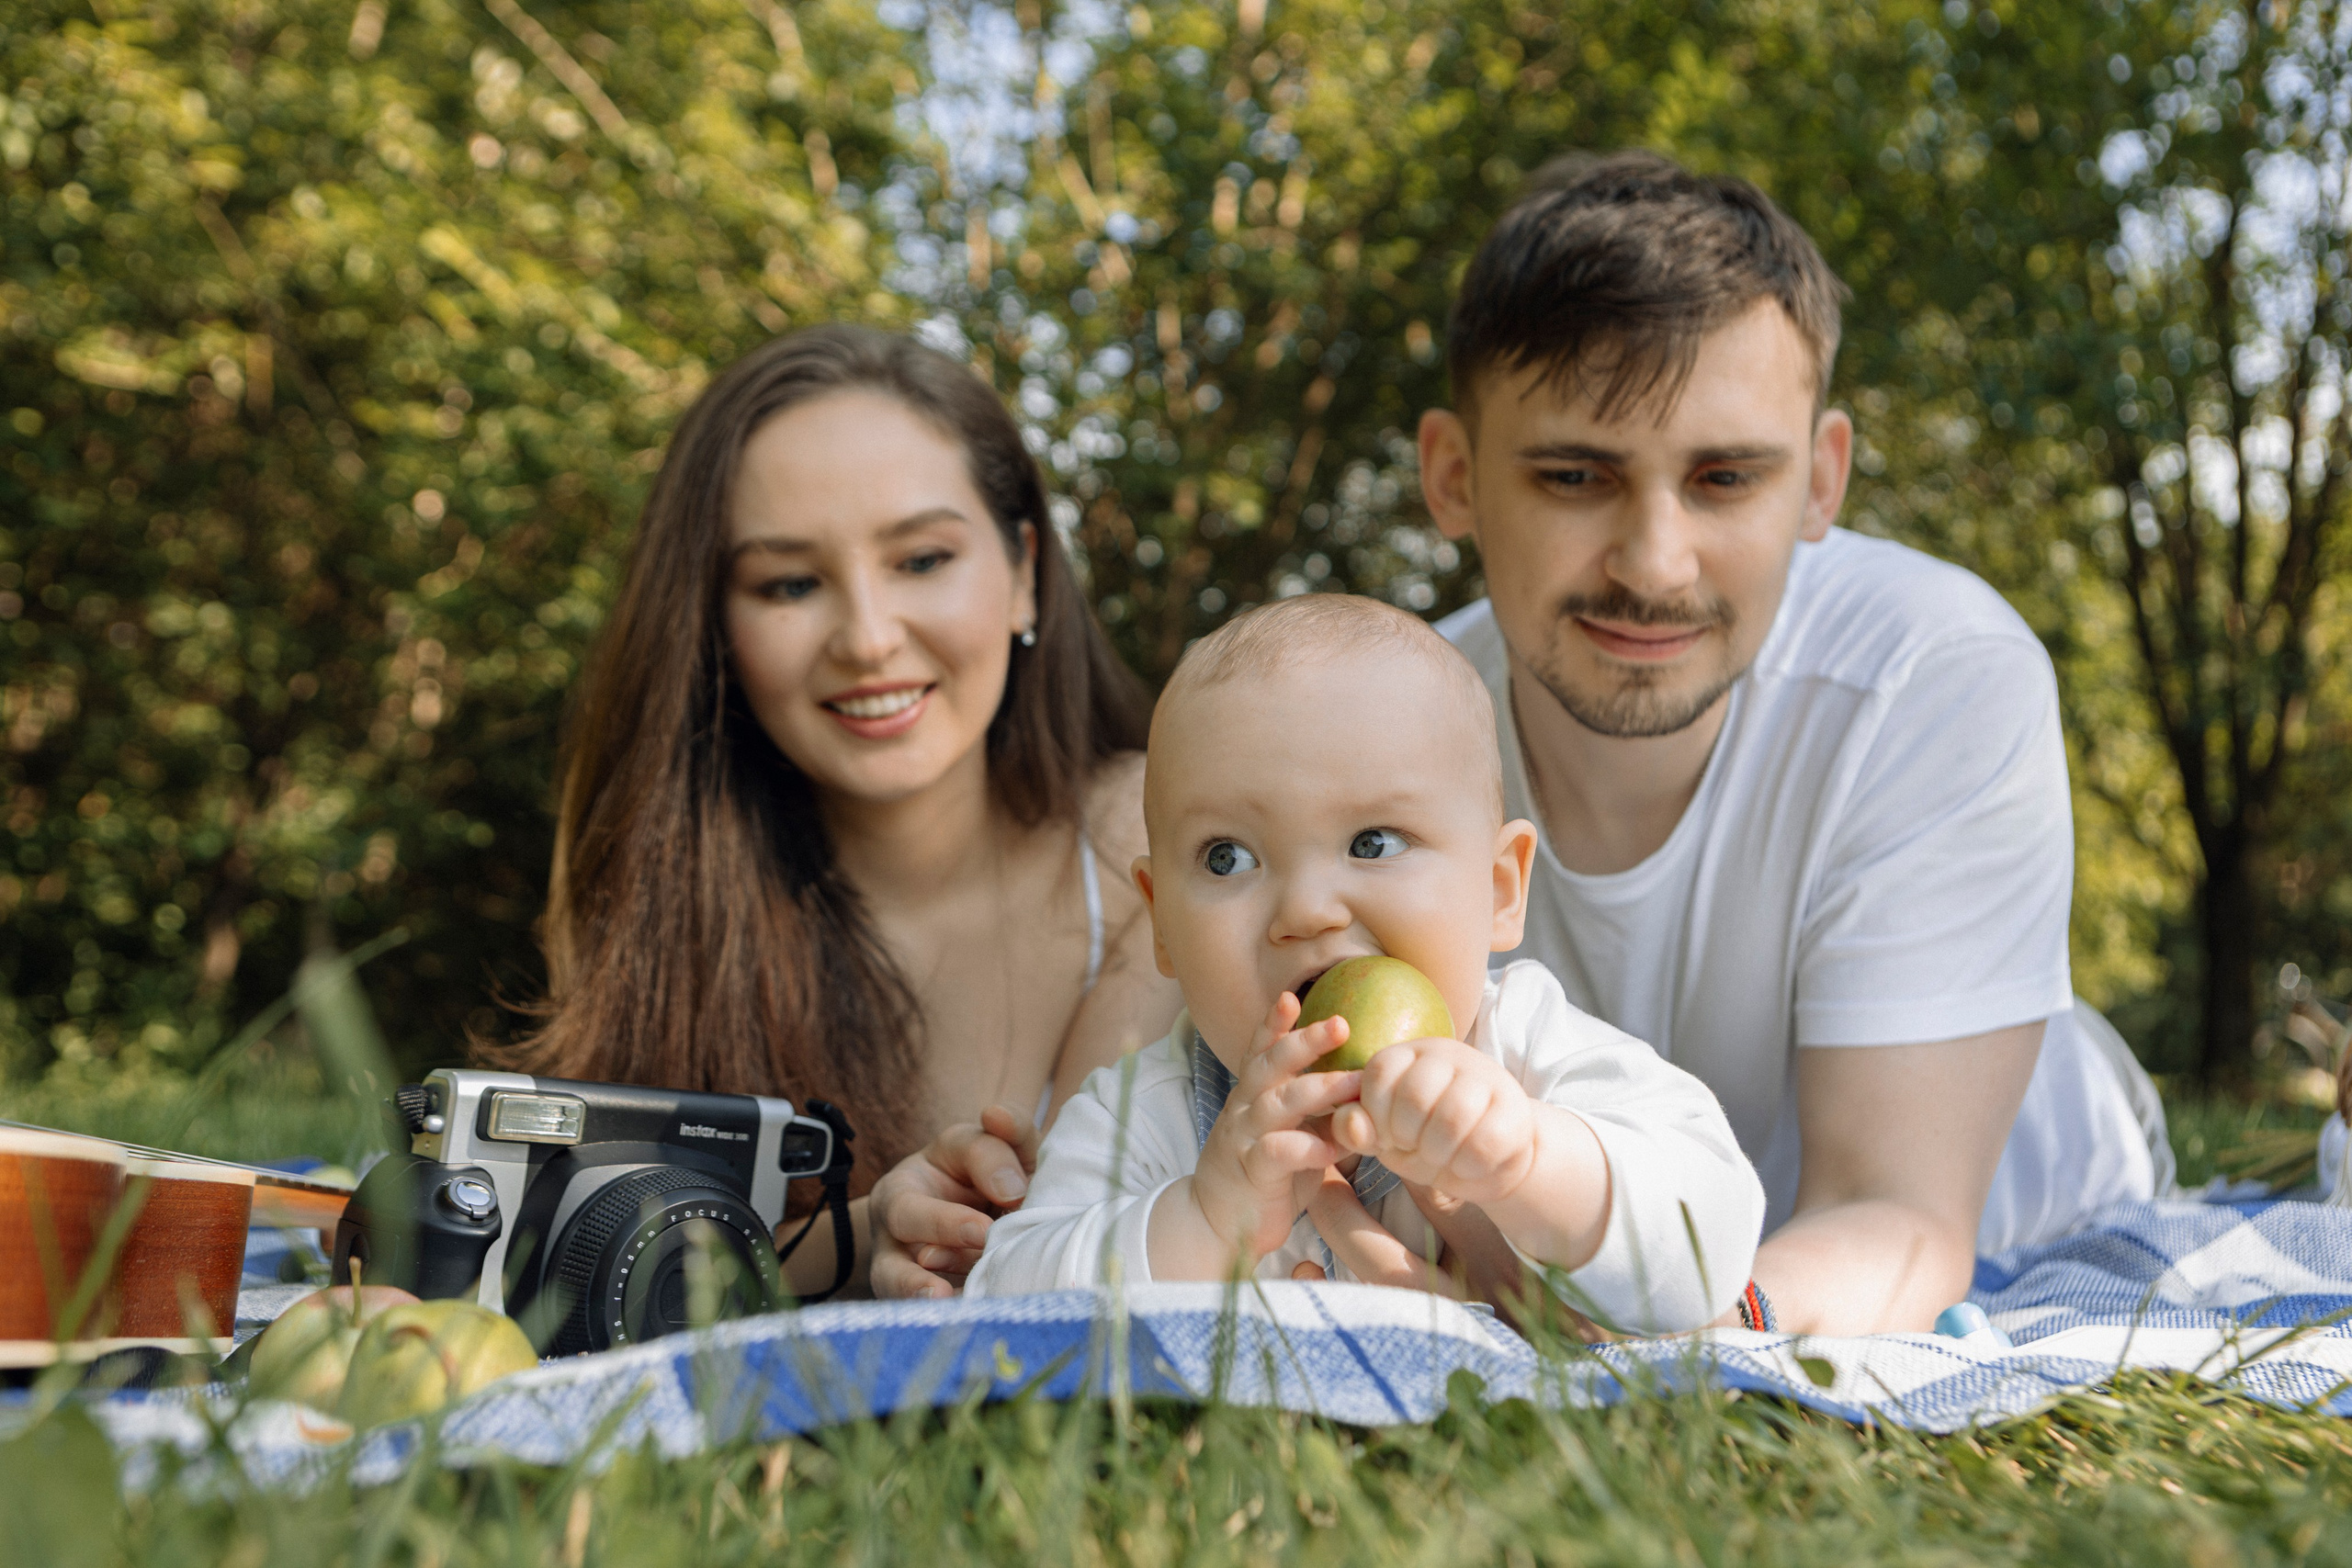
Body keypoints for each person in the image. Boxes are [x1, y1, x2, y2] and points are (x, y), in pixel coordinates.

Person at [1414, 151, 2165, 1336]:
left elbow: (1899, 1218)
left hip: (2025, 1191)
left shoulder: (1936, 674)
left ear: (1820, 482)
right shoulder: (1385, 730)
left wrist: (1692, 1343)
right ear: (1452, 478)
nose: (1654, 564)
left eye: (1723, 478)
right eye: (1573, 475)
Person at [493, 324, 1182, 1298]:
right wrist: (861, 1238)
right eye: (790, 584)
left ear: (1025, 570)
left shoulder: (1166, 846)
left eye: (921, 560)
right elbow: (570, 1264)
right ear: (713, 629)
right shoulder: (674, 895)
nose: (866, 638)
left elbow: (1065, 1249)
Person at [967, 595, 1763, 1333]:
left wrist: (1530, 1162)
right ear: (1162, 922)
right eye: (1227, 856)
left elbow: (1715, 1234)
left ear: (1499, 890)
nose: (1307, 908)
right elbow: (1001, 1307)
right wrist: (1204, 1219)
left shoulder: (1529, 1053)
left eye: (1373, 842)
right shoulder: (1145, 1112)